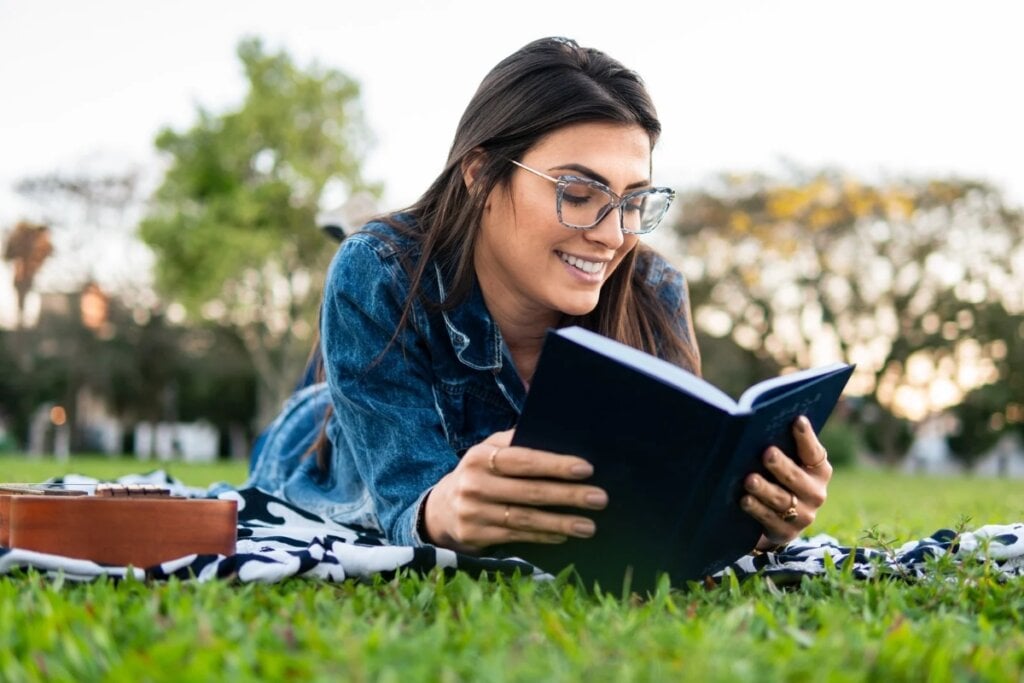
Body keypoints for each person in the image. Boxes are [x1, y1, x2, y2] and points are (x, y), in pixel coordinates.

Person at [247, 36, 831, 559]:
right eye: (578, 193)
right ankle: (358, 228)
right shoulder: (375, 275)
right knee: (362, 293)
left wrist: (751, 517)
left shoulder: (654, 290)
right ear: (479, 172)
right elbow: (404, 501)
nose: (613, 235)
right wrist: (443, 509)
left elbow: (660, 503)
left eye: (634, 200)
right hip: (324, 449)